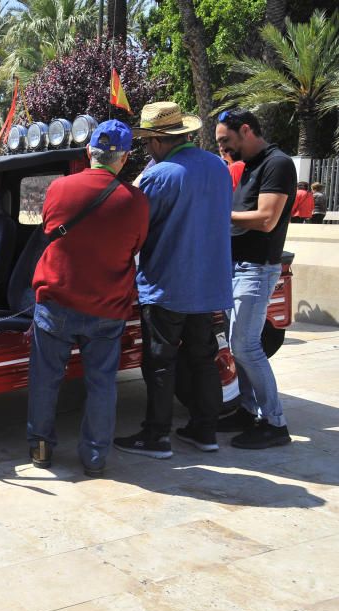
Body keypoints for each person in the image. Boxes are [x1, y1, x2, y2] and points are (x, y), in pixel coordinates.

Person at [26, 120, 149, 476]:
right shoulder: (136, 202)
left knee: (46, 379)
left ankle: (41, 450)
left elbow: (50, 230)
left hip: (57, 302)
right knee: (102, 384)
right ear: (124, 158)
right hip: (107, 308)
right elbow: (137, 246)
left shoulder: (59, 189)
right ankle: (95, 457)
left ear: (88, 152)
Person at [114, 102, 234, 459]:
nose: (148, 148)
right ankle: (205, 431)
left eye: (149, 141)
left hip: (167, 283)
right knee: (203, 357)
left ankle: (156, 436)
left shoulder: (159, 175)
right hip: (210, 283)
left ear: (158, 141)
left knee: (160, 362)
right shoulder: (217, 166)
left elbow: (138, 228)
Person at [215, 108, 296, 449]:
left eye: (226, 141)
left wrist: (218, 213)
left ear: (246, 130)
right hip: (238, 267)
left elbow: (266, 219)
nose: (223, 149)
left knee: (246, 346)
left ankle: (275, 423)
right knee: (238, 345)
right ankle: (248, 411)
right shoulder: (248, 166)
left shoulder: (277, 164)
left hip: (257, 268)